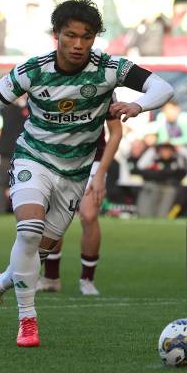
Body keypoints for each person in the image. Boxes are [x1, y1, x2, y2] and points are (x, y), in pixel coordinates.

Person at [0, 0, 173, 348]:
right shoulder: (33, 70)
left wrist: (137, 105)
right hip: (34, 158)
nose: (78, 44)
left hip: (75, 173)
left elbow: (163, 87)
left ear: (95, 38)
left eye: (87, 36)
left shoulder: (110, 68)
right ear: (56, 35)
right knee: (29, 232)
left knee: (37, 253)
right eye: (70, 36)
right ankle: (28, 322)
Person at [37, 115, 123, 295]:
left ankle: (87, 279)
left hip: (92, 161)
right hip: (55, 157)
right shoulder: (51, 86)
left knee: (89, 215)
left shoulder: (104, 86)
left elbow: (116, 132)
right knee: (54, 215)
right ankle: (51, 277)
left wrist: (101, 173)